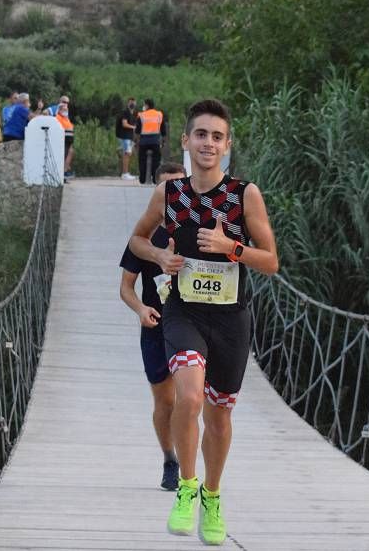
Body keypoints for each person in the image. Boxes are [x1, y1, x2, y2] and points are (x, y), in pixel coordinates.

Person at [128, 99, 279, 545]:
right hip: (184, 311)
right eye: (201, 135)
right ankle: (187, 488)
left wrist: (231, 247)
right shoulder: (168, 194)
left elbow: (271, 261)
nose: (208, 143)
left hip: (231, 319)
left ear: (227, 145)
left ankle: (212, 495)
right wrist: (160, 255)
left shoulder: (245, 195)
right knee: (189, 397)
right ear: (186, 141)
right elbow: (137, 240)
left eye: (217, 136)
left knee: (218, 417)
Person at [118, 161, 188, 492]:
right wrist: (140, 308)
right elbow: (125, 288)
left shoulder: (199, 229)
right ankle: (169, 459)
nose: (172, 194)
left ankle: (189, 469)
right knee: (166, 400)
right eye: (165, 187)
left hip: (191, 324)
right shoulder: (145, 237)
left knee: (190, 398)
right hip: (156, 324)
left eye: (178, 186)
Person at [136, 98, 167, 185]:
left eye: (144, 105)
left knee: (142, 159)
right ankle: (155, 179)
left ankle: (142, 178)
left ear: (147, 105)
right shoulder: (159, 115)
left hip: (144, 142)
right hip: (155, 141)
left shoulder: (141, 115)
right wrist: (163, 142)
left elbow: (137, 131)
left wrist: (136, 142)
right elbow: (163, 130)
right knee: (156, 160)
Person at [115, 97, 138, 180]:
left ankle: (125, 172)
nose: (132, 104)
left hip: (129, 137)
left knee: (128, 154)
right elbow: (124, 124)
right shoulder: (125, 112)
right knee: (126, 154)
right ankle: (125, 173)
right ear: (127, 103)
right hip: (124, 136)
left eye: (134, 102)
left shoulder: (133, 113)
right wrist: (134, 127)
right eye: (131, 102)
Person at [54, 95, 74, 179]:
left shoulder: (66, 115)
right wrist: (58, 108)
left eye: (67, 102)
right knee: (63, 155)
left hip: (69, 138)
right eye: (64, 102)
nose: (65, 104)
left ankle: (65, 172)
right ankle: (62, 173)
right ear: (60, 102)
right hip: (62, 138)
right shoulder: (56, 112)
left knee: (70, 153)